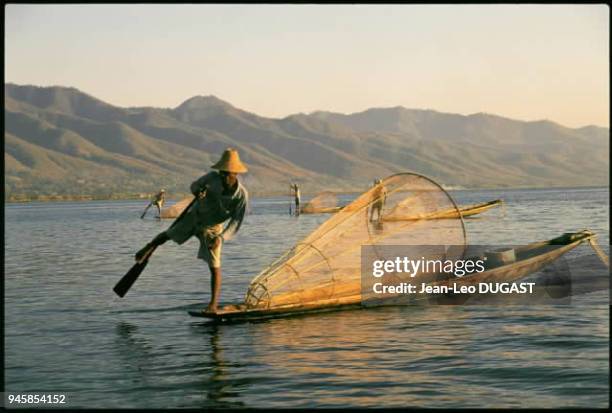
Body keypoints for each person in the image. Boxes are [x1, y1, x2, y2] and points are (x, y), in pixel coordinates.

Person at [135, 148, 249, 313]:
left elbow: (235, 223)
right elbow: (194, 185)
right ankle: (148, 247)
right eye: (222, 172)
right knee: (167, 235)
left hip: (212, 228)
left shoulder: (241, 196)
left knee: (215, 265)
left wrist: (221, 238)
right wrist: (198, 191)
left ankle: (213, 305)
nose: (223, 176)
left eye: (227, 174)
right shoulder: (212, 178)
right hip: (194, 215)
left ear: (235, 174)